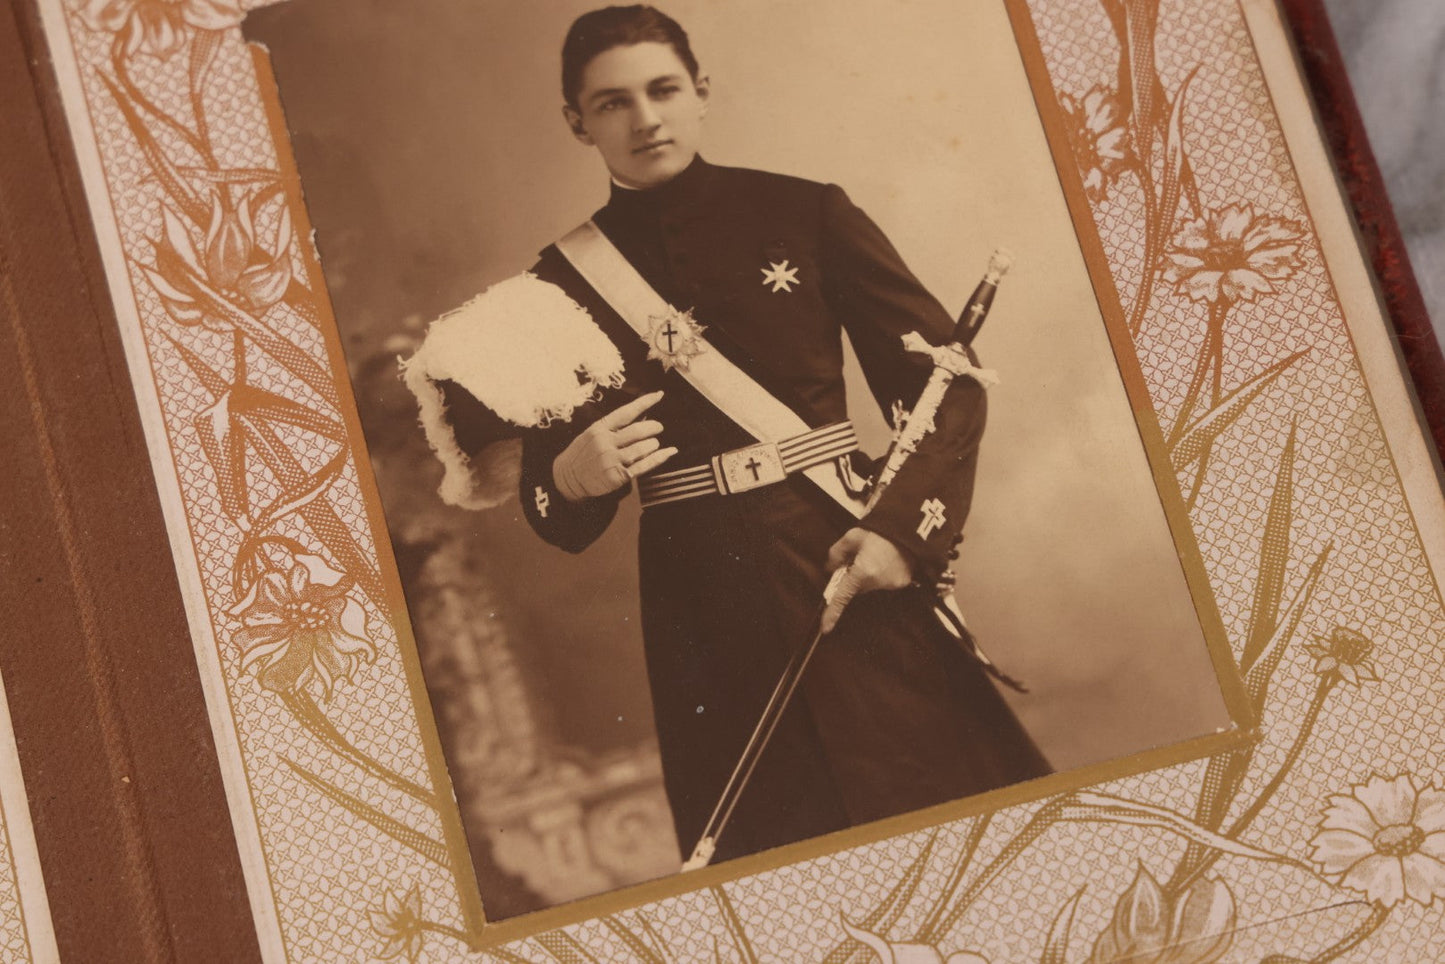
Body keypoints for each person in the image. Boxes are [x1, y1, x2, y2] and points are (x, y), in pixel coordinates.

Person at [432, 4, 1050, 864]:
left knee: (941, 813)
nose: (644, 118)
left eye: (662, 90)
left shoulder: (804, 212)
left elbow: (945, 386)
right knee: (774, 849)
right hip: (697, 599)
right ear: (577, 123)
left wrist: (898, 535)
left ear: (700, 91)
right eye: (612, 103)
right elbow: (549, 504)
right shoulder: (556, 285)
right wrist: (570, 477)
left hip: (845, 552)